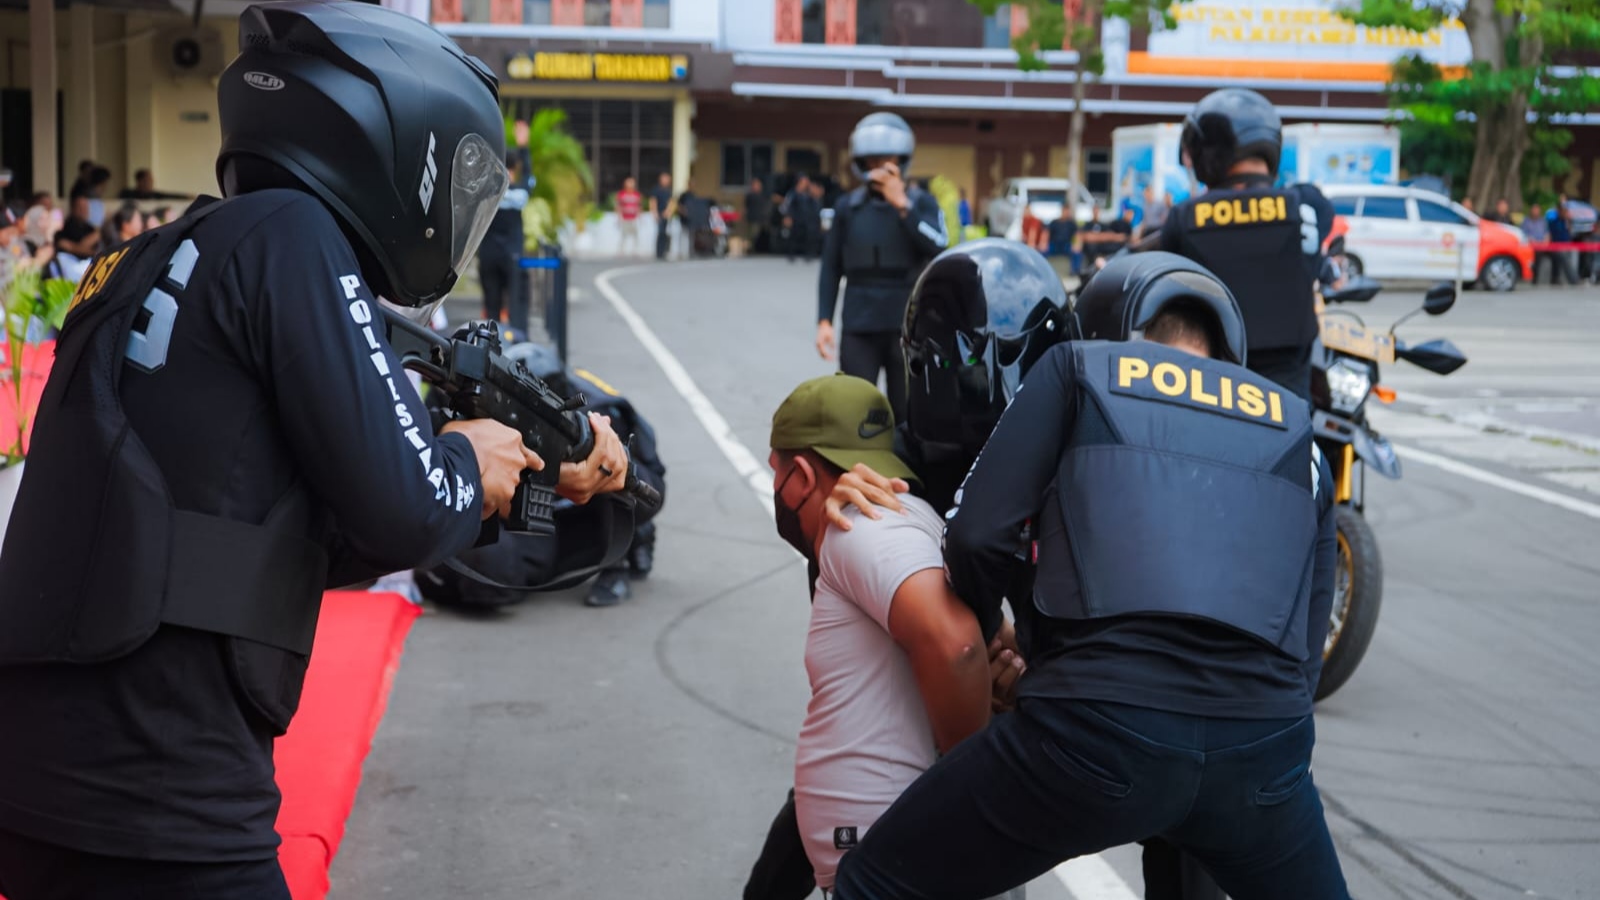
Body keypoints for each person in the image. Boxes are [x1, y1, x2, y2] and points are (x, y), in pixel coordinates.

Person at [0, 4, 630, 897]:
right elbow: (408, 511)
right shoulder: (294, 237)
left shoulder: (150, 258)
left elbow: (290, 539)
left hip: (41, 777)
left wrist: (493, 485)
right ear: (403, 147)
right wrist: (463, 459)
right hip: (168, 784)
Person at [832, 251, 1346, 900]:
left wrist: (1013, 643)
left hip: (1096, 736)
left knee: (875, 881)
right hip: (1263, 756)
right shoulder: (1300, 437)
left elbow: (978, 536)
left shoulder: (1080, 375)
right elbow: (1305, 656)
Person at [742, 239, 1070, 900]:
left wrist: (1022, 674)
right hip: (953, 722)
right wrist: (841, 500)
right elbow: (908, 666)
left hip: (1028, 701)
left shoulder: (1083, 457)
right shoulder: (893, 475)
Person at [769, 372, 1020, 898]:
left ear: (799, 476)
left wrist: (965, 788)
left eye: (774, 471)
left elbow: (959, 648)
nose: (774, 488)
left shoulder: (861, 526)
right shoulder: (909, 514)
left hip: (892, 860)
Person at [418, 340, 667, 609]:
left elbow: (651, 490)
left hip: (586, 510)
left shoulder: (598, 415)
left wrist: (601, 474)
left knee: (615, 476)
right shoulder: (470, 400)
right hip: (531, 512)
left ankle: (624, 548)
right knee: (489, 567)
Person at [1156, 88, 1334, 400]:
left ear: (1206, 151)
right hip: (1290, 408)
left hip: (1216, 395)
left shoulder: (1186, 218)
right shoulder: (1308, 205)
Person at [817, 112, 949, 424]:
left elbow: (939, 245)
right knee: (857, 410)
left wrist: (903, 205)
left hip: (907, 324)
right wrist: (824, 320)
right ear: (860, 163)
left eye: (887, 160)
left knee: (907, 411)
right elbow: (830, 267)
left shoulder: (921, 203)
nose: (879, 168)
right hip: (859, 322)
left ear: (902, 160)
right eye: (872, 161)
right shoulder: (848, 208)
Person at [477, 126, 534, 337]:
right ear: (515, 167)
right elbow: (529, 180)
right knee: (518, 301)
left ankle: (492, 345)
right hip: (512, 254)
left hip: (489, 253)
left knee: (492, 303)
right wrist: (524, 147)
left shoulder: (487, 192)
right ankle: (520, 341)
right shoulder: (519, 193)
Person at [782, 174, 818, 263]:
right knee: (794, 237)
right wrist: (788, 216)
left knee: (809, 237)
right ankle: (791, 255)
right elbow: (788, 206)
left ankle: (809, 255)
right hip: (796, 219)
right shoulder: (793, 193)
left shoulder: (808, 194)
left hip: (807, 219)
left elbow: (815, 204)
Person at [119, 168, 191, 201]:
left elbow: (169, 195)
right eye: (148, 180)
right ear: (139, 181)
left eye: (152, 180)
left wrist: (186, 197)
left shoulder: (154, 195)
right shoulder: (127, 194)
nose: (151, 183)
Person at [650, 171, 675, 260]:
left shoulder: (668, 190)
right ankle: (659, 252)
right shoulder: (656, 190)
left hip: (666, 215)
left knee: (665, 233)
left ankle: (664, 251)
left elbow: (671, 202)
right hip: (659, 214)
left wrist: (668, 211)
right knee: (660, 233)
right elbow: (653, 201)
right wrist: (655, 213)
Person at [617, 176, 643, 258]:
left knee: (635, 235)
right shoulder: (621, 194)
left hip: (634, 218)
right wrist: (619, 216)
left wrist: (640, 216)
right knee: (623, 234)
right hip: (625, 217)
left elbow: (639, 205)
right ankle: (622, 250)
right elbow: (618, 205)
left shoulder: (637, 194)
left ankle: (635, 250)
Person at [744, 176, 772, 254]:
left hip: (763, 219)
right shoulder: (750, 196)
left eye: (758, 185)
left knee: (764, 235)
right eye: (755, 185)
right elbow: (746, 207)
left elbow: (770, 201)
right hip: (753, 218)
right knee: (753, 235)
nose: (756, 186)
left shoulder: (764, 195)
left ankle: (763, 250)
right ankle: (751, 250)